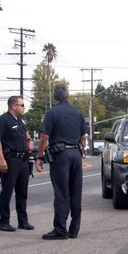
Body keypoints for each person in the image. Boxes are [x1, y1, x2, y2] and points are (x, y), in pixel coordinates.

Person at [35, 84, 88, 240]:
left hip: (61, 155)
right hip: (76, 154)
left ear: (54, 97)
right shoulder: (77, 113)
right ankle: (74, 229)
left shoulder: (52, 113)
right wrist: (80, 152)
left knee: (61, 193)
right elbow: (83, 137)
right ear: (68, 96)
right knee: (75, 192)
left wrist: (39, 157)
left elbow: (44, 137)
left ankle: (60, 229)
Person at [0, 96, 34, 232]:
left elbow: (25, 133)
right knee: (7, 191)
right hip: (10, 159)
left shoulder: (21, 120)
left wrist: (30, 140)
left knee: (22, 192)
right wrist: (1, 159)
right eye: (22, 105)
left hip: (22, 160)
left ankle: (23, 221)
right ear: (14, 106)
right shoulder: (2, 120)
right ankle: (4, 222)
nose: (24, 108)